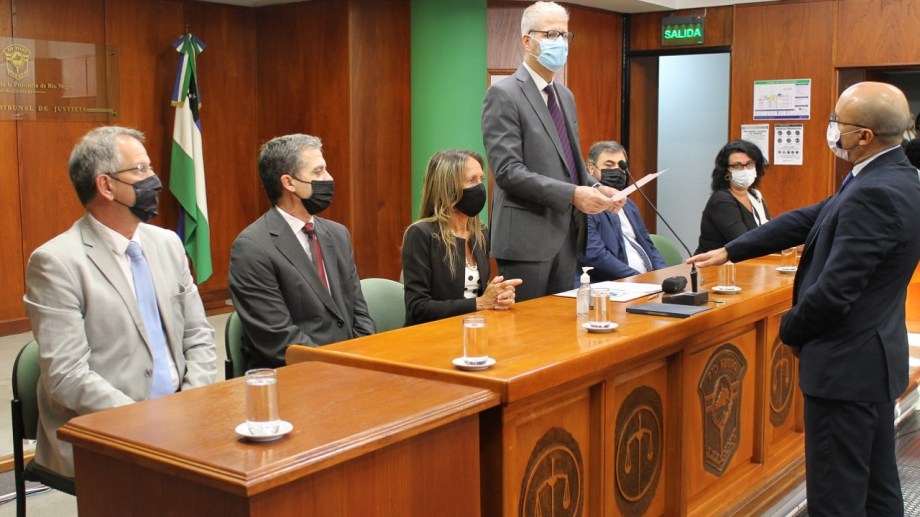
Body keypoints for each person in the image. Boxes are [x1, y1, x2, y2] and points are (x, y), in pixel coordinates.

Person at [688, 82, 920, 516]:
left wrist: (791, 330)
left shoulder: (874, 191)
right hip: (872, 362)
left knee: (836, 497)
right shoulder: (896, 176)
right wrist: (731, 250)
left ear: (864, 135)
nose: (831, 128)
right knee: (877, 487)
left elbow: (834, 293)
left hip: (844, 369)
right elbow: (813, 217)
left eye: (837, 121)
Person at [23, 126, 217, 478]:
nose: (155, 180)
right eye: (140, 169)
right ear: (106, 186)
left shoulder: (168, 244)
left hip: (182, 416)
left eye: (150, 167)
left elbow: (198, 335)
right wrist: (145, 422)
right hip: (103, 428)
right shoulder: (56, 262)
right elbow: (67, 376)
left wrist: (192, 403)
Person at [481, 1, 625, 301]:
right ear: (527, 41)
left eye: (564, 35)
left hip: (567, 235)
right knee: (528, 326)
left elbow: (570, 164)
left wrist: (596, 188)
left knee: (560, 323)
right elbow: (508, 172)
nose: (559, 42)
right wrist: (573, 194)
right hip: (526, 239)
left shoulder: (564, 95)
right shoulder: (504, 94)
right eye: (550, 34)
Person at [229, 134, 375, 370]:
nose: (329, 178)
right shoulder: (252, 247)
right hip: (294, 375)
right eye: (318, 172)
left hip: (350, 366)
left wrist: (362, 358)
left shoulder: (338, 234)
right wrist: (338, 367)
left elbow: (359, 312)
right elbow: (278, 338)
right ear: (289, 182)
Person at [402, 150, 522, 326]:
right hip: (434, 333)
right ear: (448, 188)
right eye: (472, 180)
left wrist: (498, 297)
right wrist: (480, 303)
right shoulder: (421, 234)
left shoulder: (480, 232)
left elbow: (479, 296)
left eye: (481, 179)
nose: (480, 187)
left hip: (475, 328)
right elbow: (418, 308)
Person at [578, 141, 667, 281]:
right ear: (591, 168)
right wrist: (638, 279)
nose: (616, 171)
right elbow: (595, 255)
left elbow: (648, 245)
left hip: (648, 281)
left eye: (621, 166)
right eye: (609, 165)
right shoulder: (586, 206)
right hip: (614, 284)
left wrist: (664, 274)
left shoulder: (629, 204)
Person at [695, 139, 771, 254]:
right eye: (737, 165)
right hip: (712, 264)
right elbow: (745, 243)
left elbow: (769, 232)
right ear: (726, 171)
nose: (745, 170)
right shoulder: (721, 200)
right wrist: (787, 246)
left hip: (747, 261)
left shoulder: (755, 195)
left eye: (750, 164)